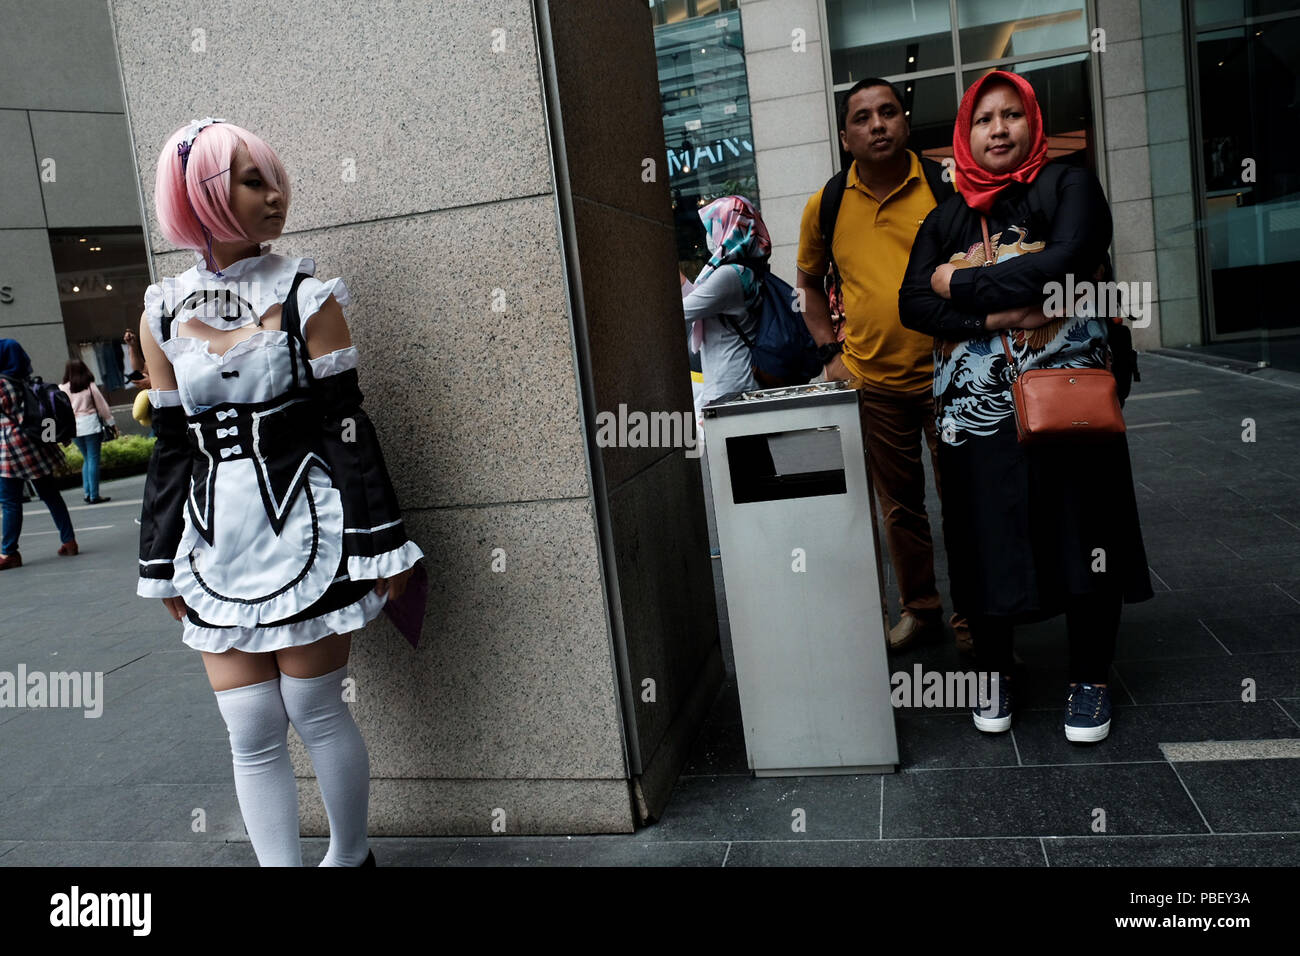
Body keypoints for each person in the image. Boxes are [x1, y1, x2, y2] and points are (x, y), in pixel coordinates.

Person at [137, 117, 424, 864]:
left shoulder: (306, 293)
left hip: (310, 524)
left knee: (313, 707)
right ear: (200, 197)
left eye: (273, 178)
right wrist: (159, 558)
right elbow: (172, 446)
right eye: (252, 180)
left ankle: (349, 855)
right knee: (250, 724)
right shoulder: (162, 311)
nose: (276, 195)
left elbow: (346, 425)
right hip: (214, 540)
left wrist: (381, 541)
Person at [899, 70, 1153, 744]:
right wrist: (1003, 312)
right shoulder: (943, 217)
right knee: (983, 535)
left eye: (1012, 115)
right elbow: (915, 304)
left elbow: (1072, 256)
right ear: (965, 136)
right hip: (975, 416)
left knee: (1083, 526)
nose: (1000, 129)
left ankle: (1091, 677)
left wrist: (964, 284)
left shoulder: (1068, 184)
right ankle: (995, 667)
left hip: (1069, 398)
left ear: (1032, 122)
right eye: (984, 120)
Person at [795, 77, 967, 652]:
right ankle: (920, 610)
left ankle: (975, 618)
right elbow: (809, 286)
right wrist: (829, 353)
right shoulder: (828, 203)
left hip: (953, 378)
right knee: (900, 510)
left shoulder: (946, 185)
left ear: (905, 123)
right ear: (846, 137)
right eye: (863, 118)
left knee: (967, 502)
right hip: (875, 386)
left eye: (888, 112)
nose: (877, 125)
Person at [683, 195, 770, 410]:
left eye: (714, 226)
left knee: (738, 445)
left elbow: (683, 311)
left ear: (731, 228)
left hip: (730, 387)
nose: (709, 235)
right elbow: (702, 301)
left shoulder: (730, 275)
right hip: (740, 383)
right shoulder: (747, 269)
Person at [0, 339, 79, 568]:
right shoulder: (25, 379)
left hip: (12, 450)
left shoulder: (3, 384)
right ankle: (69, 541)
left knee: (10, 501)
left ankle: (9, 553)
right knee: (51, 495)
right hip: (36, 445)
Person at [59, 359, 116, 504]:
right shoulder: (89, 386)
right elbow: (102, 407)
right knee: (93, 459)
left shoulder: (63, 388)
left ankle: (87, 492)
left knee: (87, 458)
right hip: (91, 424)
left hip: (74, 427)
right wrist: (111, 423)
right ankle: (94, 495)